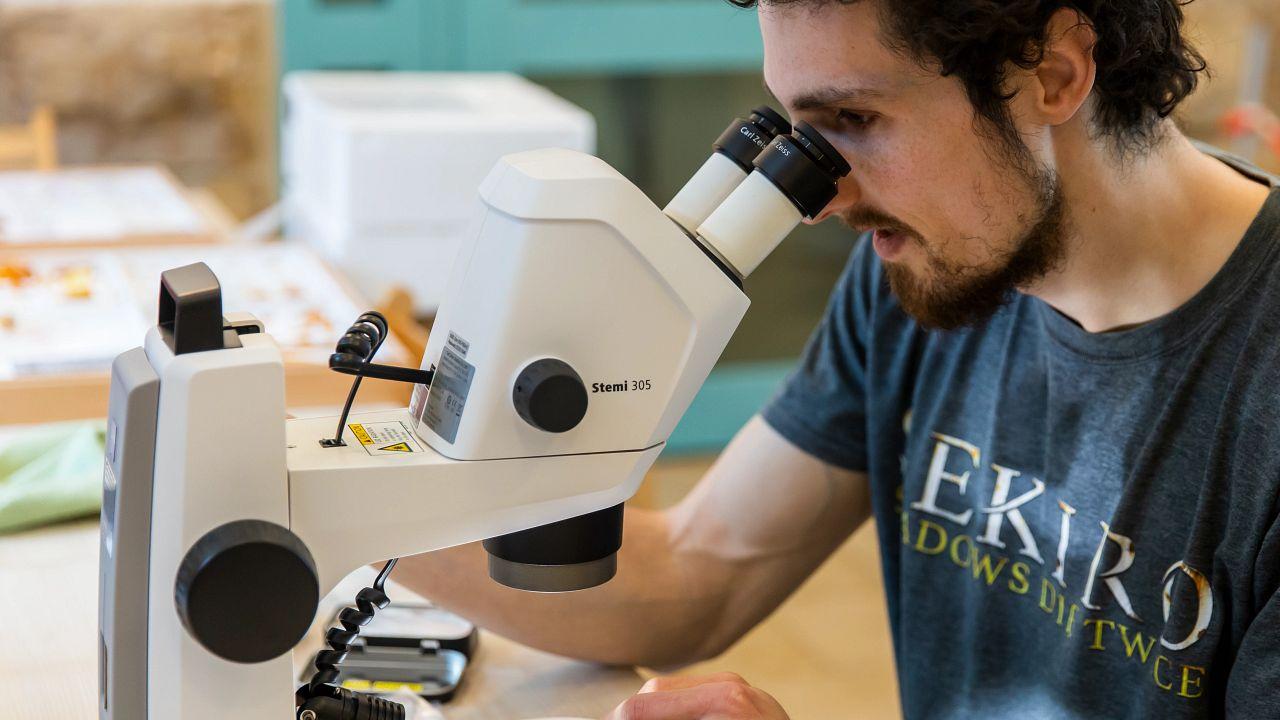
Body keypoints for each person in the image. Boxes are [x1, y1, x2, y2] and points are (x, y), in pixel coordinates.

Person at [397, 1, 1280, 717]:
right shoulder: (925, 270)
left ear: (1052, 73)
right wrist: (331, 510)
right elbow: (705, 572)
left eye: (853, 119)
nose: (822, 199)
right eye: (798, 133)